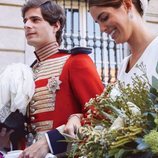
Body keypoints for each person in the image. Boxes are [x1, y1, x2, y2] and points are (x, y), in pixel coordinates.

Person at [18, 0, 104, 157]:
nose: (27, 25)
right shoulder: (28, 72)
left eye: (35, 20)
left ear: (56, 26)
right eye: (25, 21)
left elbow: (102, 115)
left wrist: (51, 141)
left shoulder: (76, 61)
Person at [88, 0, 158, 85]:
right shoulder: (123, 66)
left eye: (104, 18)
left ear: (127, 5)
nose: (102, 29)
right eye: (97, 23)